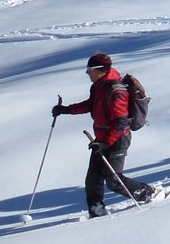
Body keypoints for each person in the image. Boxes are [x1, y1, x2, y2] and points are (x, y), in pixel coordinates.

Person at [50, 53, 157, 217]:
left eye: (90, 69)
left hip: (118, 139)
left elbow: (121, 122)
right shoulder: (99, 86)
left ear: (101, 70)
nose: (87, 73)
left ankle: (146, 192)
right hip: (102, 138)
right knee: (92, 178)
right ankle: (97, 212)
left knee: (114, 180)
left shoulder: (116, 92)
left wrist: (106, 143)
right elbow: (90, 104)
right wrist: (66, 110)